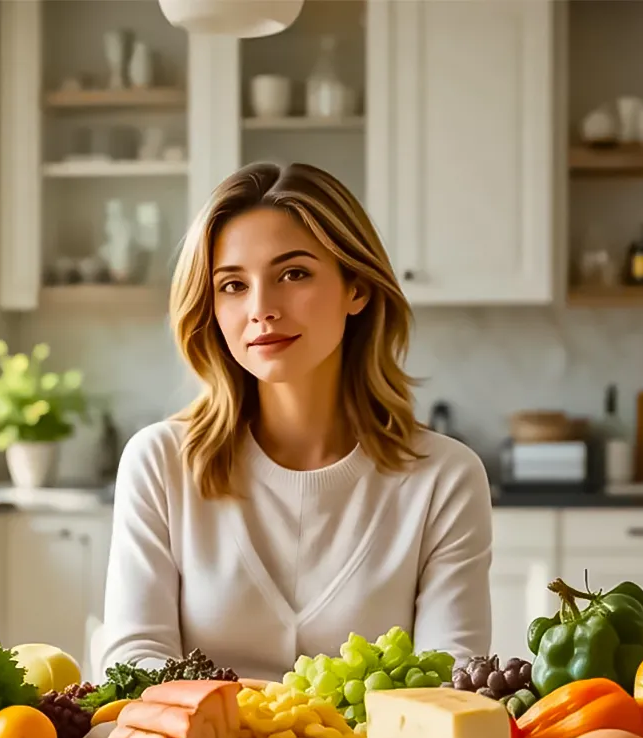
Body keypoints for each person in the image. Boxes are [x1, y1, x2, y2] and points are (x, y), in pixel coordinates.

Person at [94, 162, 492, 682]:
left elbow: (449, 684)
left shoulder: (445, 478)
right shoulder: (160, 463)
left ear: (357, 288)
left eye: (293, 274)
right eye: (233, 285)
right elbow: (132, 667)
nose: (262, 309)